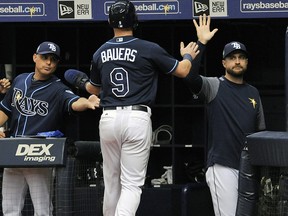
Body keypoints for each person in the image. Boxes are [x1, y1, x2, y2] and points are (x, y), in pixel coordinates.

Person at [65, 0, 199, 215]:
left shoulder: (101, 51)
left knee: (111, 182)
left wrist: (79, 81)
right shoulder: (148, 48)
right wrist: (188, 55)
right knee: (131, 185)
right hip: (136, 117)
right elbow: (183, 71)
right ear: (135, 21)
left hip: (108, 118)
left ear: (110, 22)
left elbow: (94, 90)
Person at [0, 41, 99, 216]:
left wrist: (87, 102)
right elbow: (5, 109)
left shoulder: (58, 88)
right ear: (35, 57)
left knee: (42, 209)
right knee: (9, 208)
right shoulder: (20, 79)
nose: (49, 63)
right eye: (45, 58)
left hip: (38, 154)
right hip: (12, 151)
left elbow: (74, 102)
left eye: (53, 60)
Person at [183, 14, 266, 216]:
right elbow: (191, 78)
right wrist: (201, 42)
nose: (237, 62)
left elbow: (260, 132)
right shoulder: (215, 85)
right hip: (223, 167)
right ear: (224, 63)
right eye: (232, 58)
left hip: (247, 168)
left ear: (246, 61)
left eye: (241, 57)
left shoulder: (253, 92)